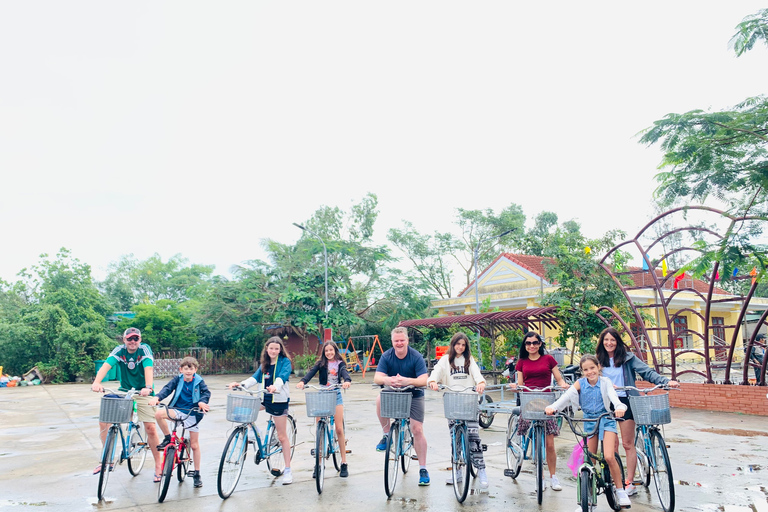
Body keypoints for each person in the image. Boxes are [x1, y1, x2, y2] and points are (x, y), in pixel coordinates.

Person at [595, 326, 679, 497]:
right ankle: (616, 479)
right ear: (602, 342)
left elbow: (646, 372)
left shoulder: (627, 358)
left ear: (617, 341)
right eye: (606, 340)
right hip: (606, 403)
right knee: (613, 445)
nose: (609, 343)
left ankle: (630, 482)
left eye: (612, 340)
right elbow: (589, 376)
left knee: (627, 443)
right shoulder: (598, 360)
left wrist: (665, 381)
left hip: (626, 401)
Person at [545, 354, 631, 508]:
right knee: (589, 461)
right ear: (582, 371)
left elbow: (614, 398)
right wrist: (553, 407)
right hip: (589, 421)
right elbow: (566, 396)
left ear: (598, 367)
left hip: (606, 419)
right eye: (586, 369)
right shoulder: (580, 383)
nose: (590, 372)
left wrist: (619, 407)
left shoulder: (606, 382)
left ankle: (620, 491)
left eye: (592, 368)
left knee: (609, 456)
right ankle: (588, 500)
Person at [92, 327, 164, 481]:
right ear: (124, 340)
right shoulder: (119, 350)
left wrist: (148, 387)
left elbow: (148, 368)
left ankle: (159, 464)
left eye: (135, 339)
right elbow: (106, 366)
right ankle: (107, 460)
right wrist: (97, 382)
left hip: (144, 392)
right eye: (129, 339)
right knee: (105, 421)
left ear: (140, 340)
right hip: (124, 391)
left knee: (150, 428)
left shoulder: (144, 350)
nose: (132, 342)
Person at [228, 336, 294, 484]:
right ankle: (252, 431)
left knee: (282, 437)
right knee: (245, 410)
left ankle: (288, 470)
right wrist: (241, 384)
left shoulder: (285, 362)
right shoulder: (264, 363)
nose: (274, 351)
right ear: (267, 349)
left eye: (277, 349)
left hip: (278, 400)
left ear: (280, 349)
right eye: (271, 348)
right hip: (264, 398)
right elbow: (255, 378)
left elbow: (282, 377)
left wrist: (276, 386)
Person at [427, 332, 489, 488]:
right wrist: (433, 381)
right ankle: (457, 470)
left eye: (463, 344)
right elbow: (436, 372)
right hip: (452, 402)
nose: (460, 347)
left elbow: (477, 374)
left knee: (474, 438)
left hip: (468, 401)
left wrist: (480, 383)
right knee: (455, 439)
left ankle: (481, 469)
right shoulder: (445, 360)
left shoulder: (469, 360)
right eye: (458, 344)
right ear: (453, 344)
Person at [509, 331, 569, 491]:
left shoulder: (548, 359)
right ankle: (540, 477)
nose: (532, 346)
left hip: (546, 403)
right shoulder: (521, 362)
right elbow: (520, 383)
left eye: (535, 343)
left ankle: (553, 477)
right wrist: (516, 387)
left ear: (540, 344)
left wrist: (563, 384)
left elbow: (559, 378)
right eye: (528, 343)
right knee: (535, 442)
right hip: (529, 402)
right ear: (525, 345)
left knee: (550, 444)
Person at [374, 326, 430, 486]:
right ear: (392, 342)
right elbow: (377, 377)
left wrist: (408, 381)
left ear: (407, 340)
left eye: (402, 340)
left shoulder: (416, 356)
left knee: (417, 429)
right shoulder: (386, 356)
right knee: (379, 398)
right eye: (396, 341)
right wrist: (388, 380)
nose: (399, 343)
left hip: (414, 394)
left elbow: (424, 379)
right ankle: (386, 435)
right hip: (394, 391)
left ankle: (423, 468)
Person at [148, 356, 211, 488]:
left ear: (196, 370)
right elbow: (167, 388)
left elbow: (206, 393)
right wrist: (157, 398)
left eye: (191, 369)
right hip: (177, 410)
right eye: (186, 369)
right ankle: (167, 437)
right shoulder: (178, 379)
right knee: (159, 413)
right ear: (181, 369)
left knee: (194, 445)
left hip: (192, 413)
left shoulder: (199, 381)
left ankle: (197, 473)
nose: (188, 371)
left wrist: (202, 402)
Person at [296, 341, 352, 478]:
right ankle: (318, 464)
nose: (329, 353)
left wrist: (347, 381)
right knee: (319, 431)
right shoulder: (320, 363)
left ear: (335, 351)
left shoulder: (340, 363)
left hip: (336, 395)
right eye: (326, 351)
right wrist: (303, 381)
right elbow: (311, 373)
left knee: (339, 429)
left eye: (331, 350)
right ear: (323, 352)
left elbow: (344, 372)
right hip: (322, 394)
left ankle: (344, 463)